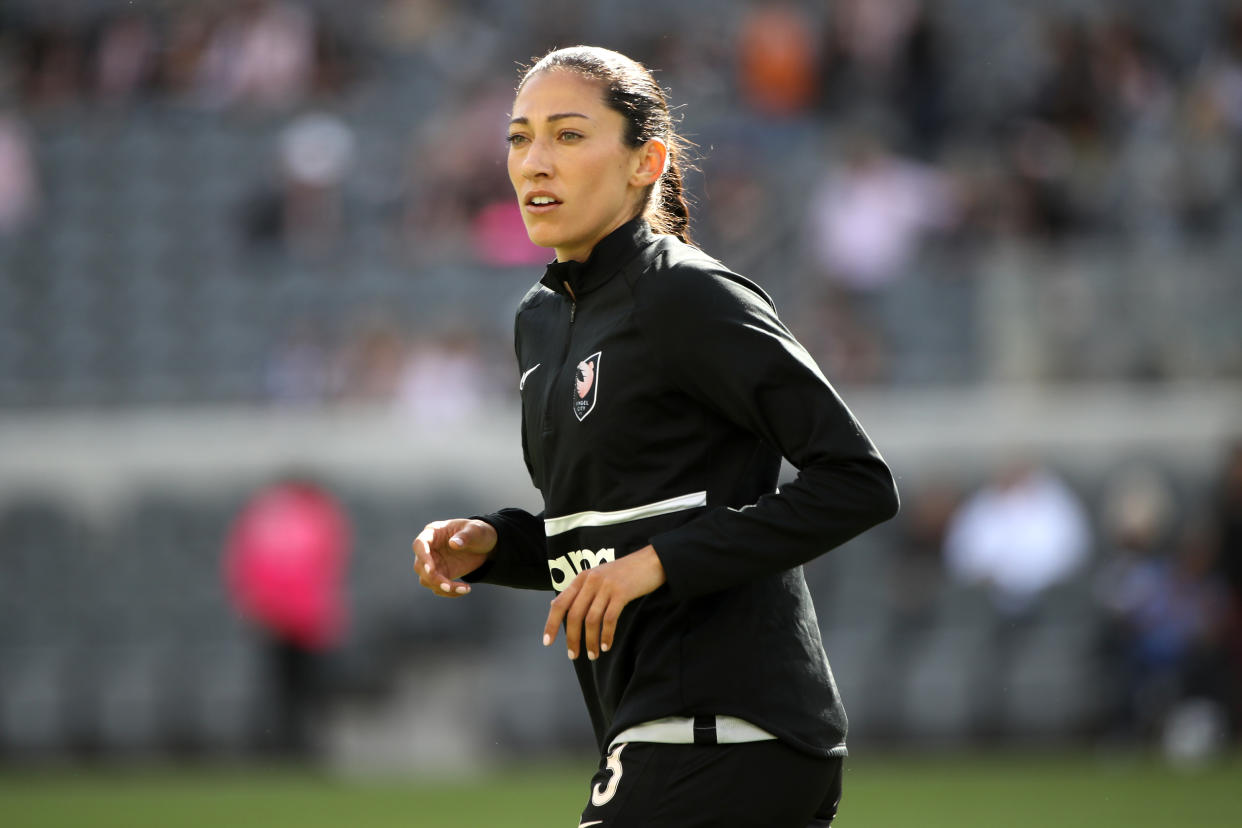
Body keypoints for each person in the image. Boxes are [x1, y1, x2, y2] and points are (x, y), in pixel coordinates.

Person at [412, 46, 898, 828]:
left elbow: (857, 483)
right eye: (519, 137)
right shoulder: (539, 321)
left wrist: (659, 564)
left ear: (648, 162)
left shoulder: (687, 295)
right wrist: (497, 546)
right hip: (651, 735)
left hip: (725, 732)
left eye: (568, 136)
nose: (535, 161)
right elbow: (617, 541)